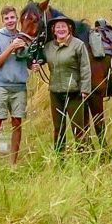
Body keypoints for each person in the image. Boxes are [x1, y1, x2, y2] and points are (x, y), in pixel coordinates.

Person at [31, 13, 91, 154]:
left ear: (69, 28)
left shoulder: (78, 45)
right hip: (55, 93)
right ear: (53, 30)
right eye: (58, 27)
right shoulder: (48, 47)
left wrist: (85, 90)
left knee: (78, 129)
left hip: (74, 93)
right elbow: (38, 58)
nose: (61, 29)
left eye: (64, 26)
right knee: (58, 128)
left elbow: (85, 68)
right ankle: (59, 159)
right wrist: (35, 65)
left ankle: (84, 158)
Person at [0, 5, 29, 167]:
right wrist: (11, 47)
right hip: (1, 86)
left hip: (19, 87)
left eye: (12, 17)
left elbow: (29, 62)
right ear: (2, 20)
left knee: (17, 123)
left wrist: (35, 65)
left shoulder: (23, 36)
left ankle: (13, 163)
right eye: (7, 18)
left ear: (17, 18)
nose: (10, 21)